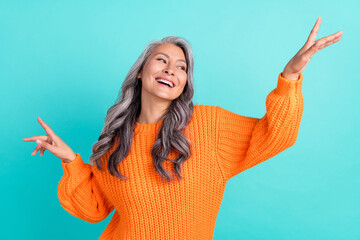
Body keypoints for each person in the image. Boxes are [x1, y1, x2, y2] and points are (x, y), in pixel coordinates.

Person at [23, 17, 342, 240]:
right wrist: (70, 160)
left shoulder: (208, 125)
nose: (170, 70)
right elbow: (94, 209)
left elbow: (277, 134)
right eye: (161, 60)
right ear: (140, 73)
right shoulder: (115, 143)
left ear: (185, 82)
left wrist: (290, 76)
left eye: (181, 67)